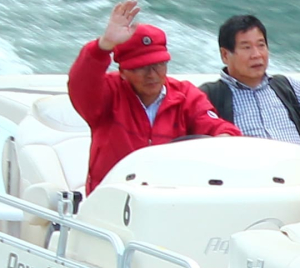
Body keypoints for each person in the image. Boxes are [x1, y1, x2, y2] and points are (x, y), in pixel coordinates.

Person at [67, 2, 239, 194]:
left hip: (170, 199)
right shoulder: (107, 94)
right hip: (112, 199)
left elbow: (216, 127)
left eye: (159, 64)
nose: (152, 74)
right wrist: (103, 46)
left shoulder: (186, 96)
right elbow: (81, 84)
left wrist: (224, 138)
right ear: (122, 72)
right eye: (141, 67)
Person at [201, 15, 300, 145]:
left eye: (261, 45)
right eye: (246, 47)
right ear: (225, 55)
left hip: (297, 163)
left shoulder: (284, 86)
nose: (257, 54)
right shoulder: (209, 96)